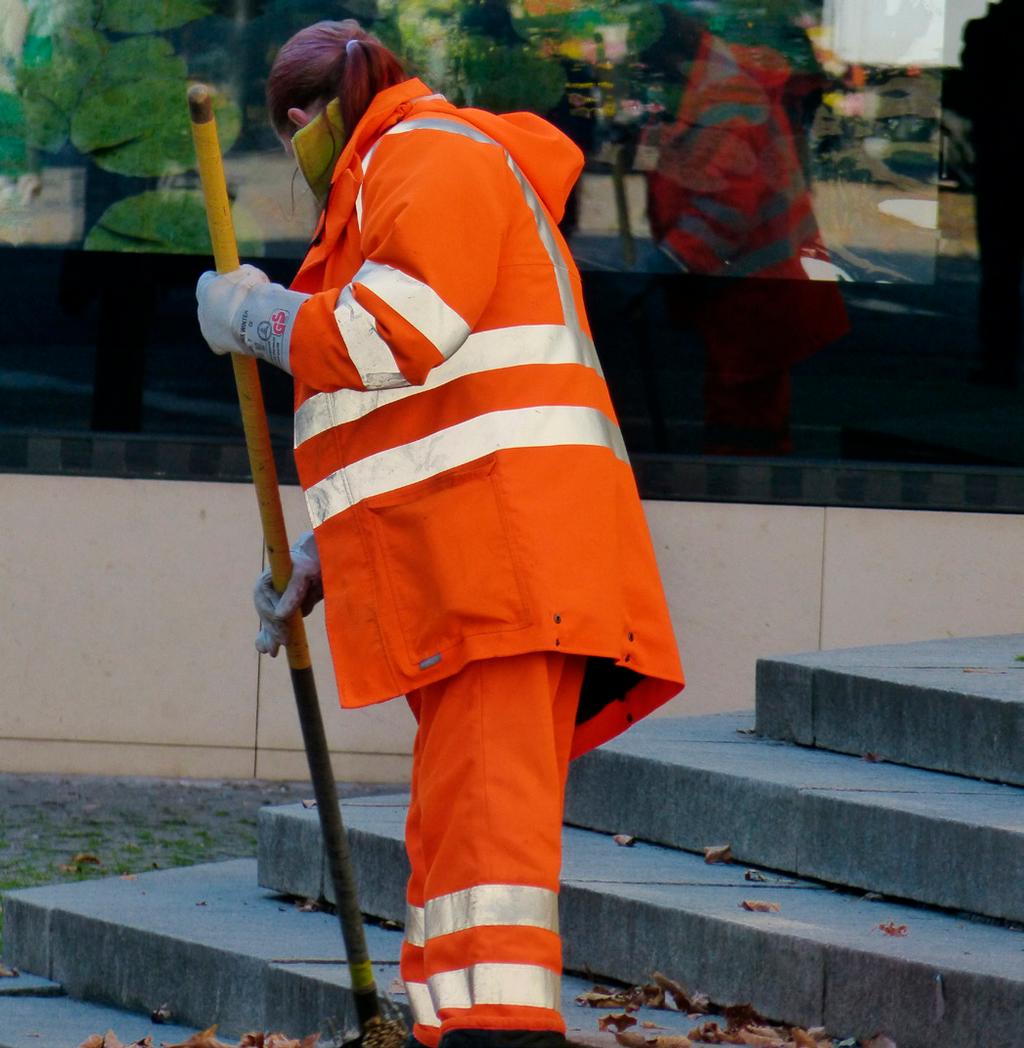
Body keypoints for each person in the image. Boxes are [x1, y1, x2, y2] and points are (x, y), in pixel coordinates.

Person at [196, 21, 684, 1048]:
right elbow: (418, 414)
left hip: (505, 564)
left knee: (485, 841)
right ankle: (453, 1028)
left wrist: (257, 318)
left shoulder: (425, 155)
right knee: (459, 832)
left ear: (302, 119)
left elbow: (385, 337)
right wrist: (324, 557)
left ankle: (496, 1032)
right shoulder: (413, 167)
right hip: (484, 559)